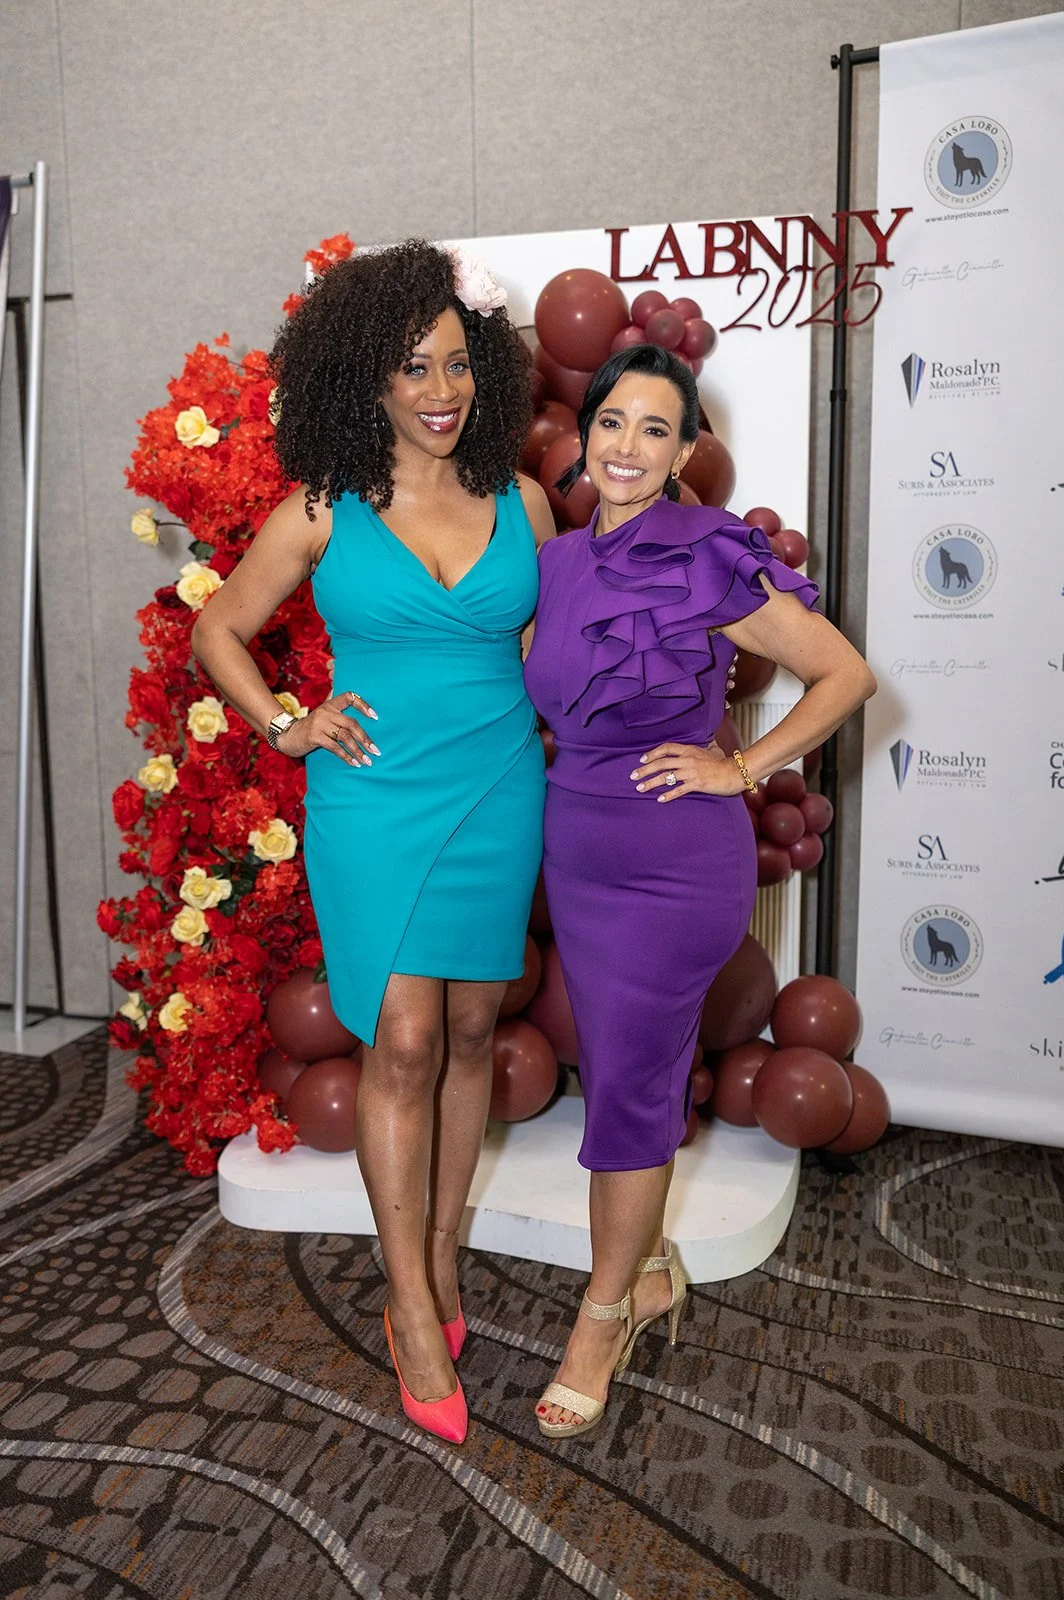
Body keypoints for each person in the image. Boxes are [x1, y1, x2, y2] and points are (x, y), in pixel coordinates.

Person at [192, 239, 555, 1444]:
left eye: (457, 365)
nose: (441, 390)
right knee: (399, 1036)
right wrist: (286, 726)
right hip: (372, 795)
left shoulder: (524, 498)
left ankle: (441, 1259)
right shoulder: (319, 509)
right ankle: (408, 1308)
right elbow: (221, 631)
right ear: (369, 379)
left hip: (498, 788)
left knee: (466, 1029)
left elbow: (566, 648)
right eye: (414, 368)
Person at [522, 343, 876, 1438]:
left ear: (684, 452)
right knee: (622, 1064)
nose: (627, 447)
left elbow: (844, 673)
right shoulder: (558, 560)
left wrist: (740, 765)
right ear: (585, 435)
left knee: (628, 1080)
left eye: (655, 430)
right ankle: (653, 1267)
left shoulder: (705, 555)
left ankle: (602, 1314)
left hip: (675, 859)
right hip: (576, 846)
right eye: (612, 423)